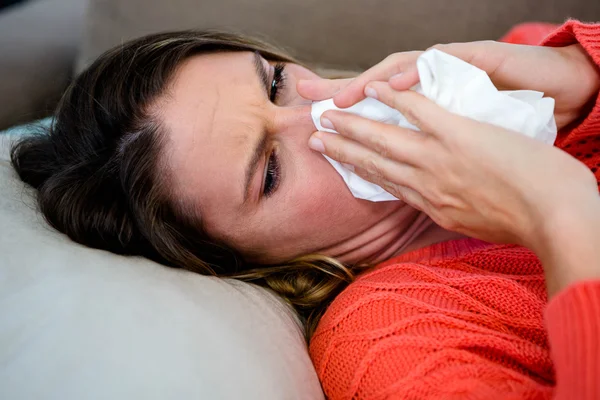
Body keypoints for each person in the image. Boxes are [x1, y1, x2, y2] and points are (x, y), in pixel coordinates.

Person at [9, 18, 599, 398]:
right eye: (268, 172)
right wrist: (560, 217)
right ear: (240, 261)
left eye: (274, 85)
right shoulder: (393, 344)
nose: (320, 117)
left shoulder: (529, 64)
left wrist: (582, 73)